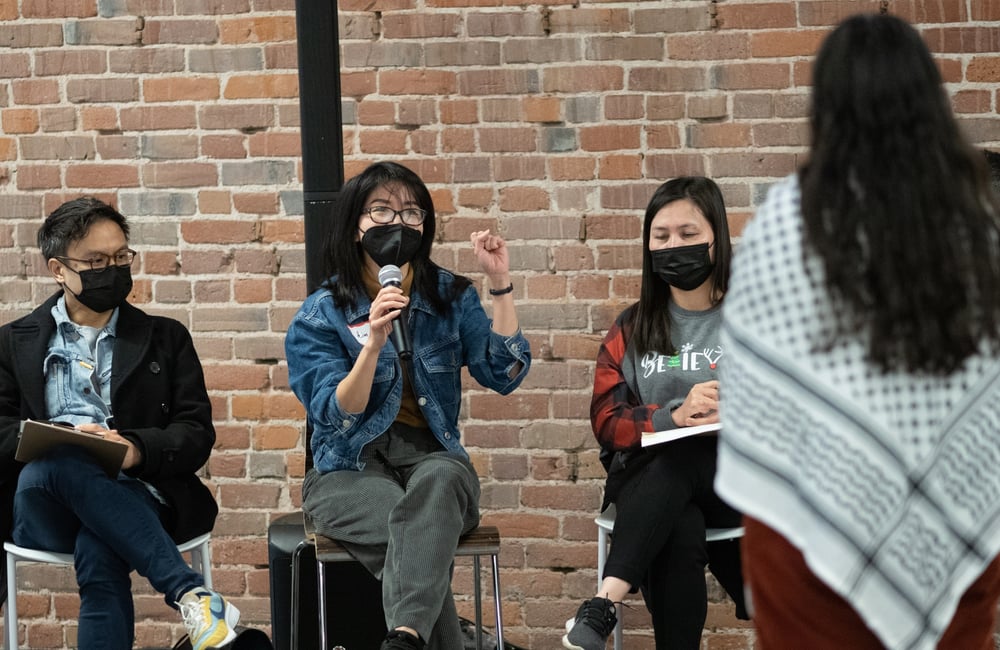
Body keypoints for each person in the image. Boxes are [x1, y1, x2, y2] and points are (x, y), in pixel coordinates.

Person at [715, 13, 1000, 650]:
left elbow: (752, 387)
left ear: (827, 108)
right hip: (959, 531)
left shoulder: (788, 219)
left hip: (808, 537)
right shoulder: (978, 224)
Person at [284, 161, 531, 650]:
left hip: (433, 459)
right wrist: (372, 344)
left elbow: (502, 373)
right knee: (411, 523)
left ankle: (406, 637)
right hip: (348, 467)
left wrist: (499, 285)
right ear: (356, 224)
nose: (398, 224)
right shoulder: (322, 311)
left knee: (435, 488)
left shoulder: (450, 296)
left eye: (411, 213)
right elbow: (336, 412)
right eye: (381, 211)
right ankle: (426, 637)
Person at [0, 198, 240, 650]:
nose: (111, 269)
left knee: (100, 549)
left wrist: (134, 449)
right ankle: (188, 591)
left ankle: (192, 597)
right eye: (95, 261)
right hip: (43, 505)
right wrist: (58, 438)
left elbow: (195, 433)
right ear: (58, 269)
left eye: (120, 257)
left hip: (137, 495)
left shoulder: (165, 338)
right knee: (60, 458)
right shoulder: (13, 343)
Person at [563, 177, 748, 650]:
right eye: (661, 236)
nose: (673, 246)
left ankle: (605, 600)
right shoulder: (632, 326)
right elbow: (606, 421)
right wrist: (672, 416)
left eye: (688, 234)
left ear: (716, 238)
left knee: (680, 461)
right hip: (651, 484)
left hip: (737, 480)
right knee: (680, 522)